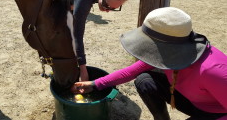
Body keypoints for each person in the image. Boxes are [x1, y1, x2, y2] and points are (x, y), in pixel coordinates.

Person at [71, 7, 227, 120]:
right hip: (188, 97)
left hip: (214, 113)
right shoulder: (169, 52)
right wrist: (95, 84)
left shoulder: (213, 70)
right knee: (144, 80)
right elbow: (131, 71)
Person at [52, 0, 136, 81]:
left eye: (114, 8)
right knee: (59, 29)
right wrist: (83, 68)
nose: (107, 10)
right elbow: (77, 34)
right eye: (106, 5)